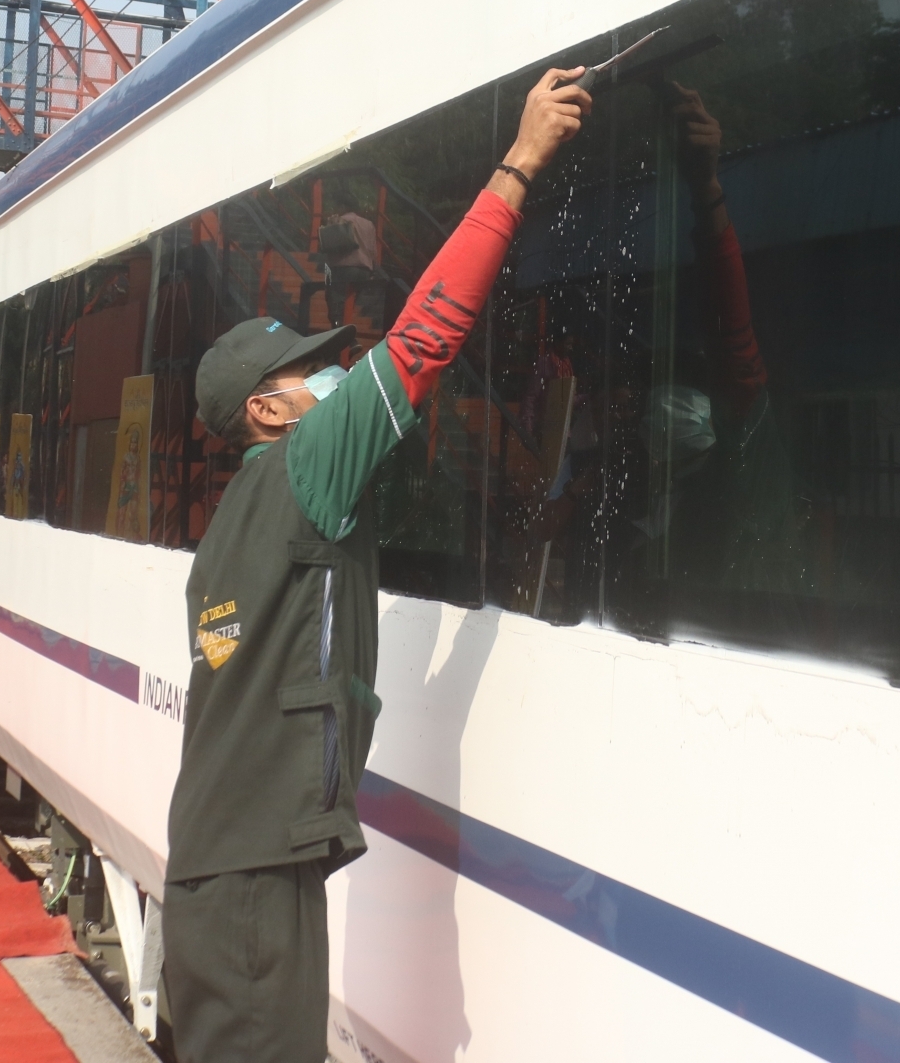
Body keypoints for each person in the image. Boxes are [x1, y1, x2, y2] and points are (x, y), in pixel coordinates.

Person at [162, 66, 589, 1063]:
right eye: (306, 369)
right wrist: (518, 161)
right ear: (265, 410)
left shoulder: (242, 508)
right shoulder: (306, 465)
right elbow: (424, 341)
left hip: (236, 869)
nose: (329, 373)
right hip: (252, 888)